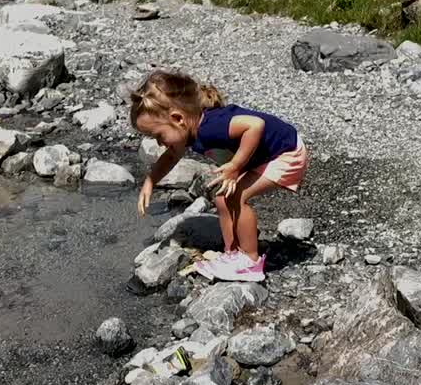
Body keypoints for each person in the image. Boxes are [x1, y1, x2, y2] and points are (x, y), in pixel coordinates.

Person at [130, 69, 308, 283]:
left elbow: (255, 125)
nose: (159, 143)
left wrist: (234, 166)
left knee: (237, 195)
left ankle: (250, 262)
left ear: (178, 119)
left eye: (158, 135)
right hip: (262, 155)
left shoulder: (211, 128)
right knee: (222, 198)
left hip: (286, 152)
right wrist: (150, 181)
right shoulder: (189, 129)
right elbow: (171, 156)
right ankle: (232, 254)